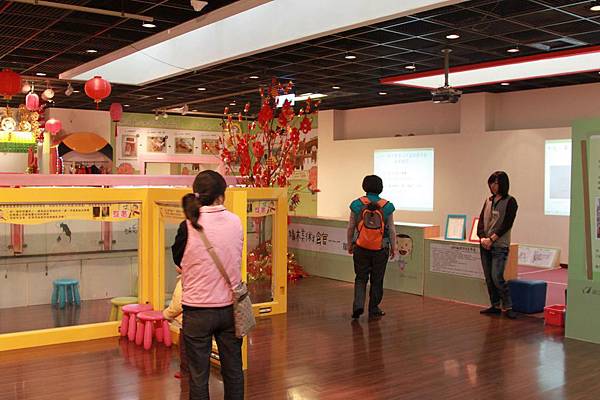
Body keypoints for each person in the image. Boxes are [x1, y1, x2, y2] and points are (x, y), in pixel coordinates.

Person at [171, 170, 244, 400]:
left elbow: (178, 261)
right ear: (221, 196)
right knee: (233, 370)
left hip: (197, 311)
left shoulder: (187, 226)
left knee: (198, 376)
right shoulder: (236, 221)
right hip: (231, 309)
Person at [347, 175, 397, 320]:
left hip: (361, 246)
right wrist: (393, 247)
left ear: (364, 186)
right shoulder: (387, 206)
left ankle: (358, 305)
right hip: (381, 249)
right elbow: (392, 229)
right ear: (381, 188)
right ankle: (374, 308)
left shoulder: (356, 204)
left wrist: (350, 243)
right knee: (377, 279)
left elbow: (351, 227)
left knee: (360, 278)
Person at [477, 171, 518, 319]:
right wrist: (482, 238)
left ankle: (508, 306)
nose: (493, 186)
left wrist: (492, 239)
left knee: (497, 277)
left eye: (496, 183)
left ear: (503, 184)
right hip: (485, 245)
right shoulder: (488, 201)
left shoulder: (510, 201)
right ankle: (495, 305)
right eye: (491, 183)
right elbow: (481, 221)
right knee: (488, 277)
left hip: (500, 245)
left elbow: (507, 223)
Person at [162, 267, 187, 379]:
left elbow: (177, 305)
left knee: (185, 348)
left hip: (188, 321)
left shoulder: (182, 282)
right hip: (203, 319)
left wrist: (165, 314)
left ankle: (185, 371)